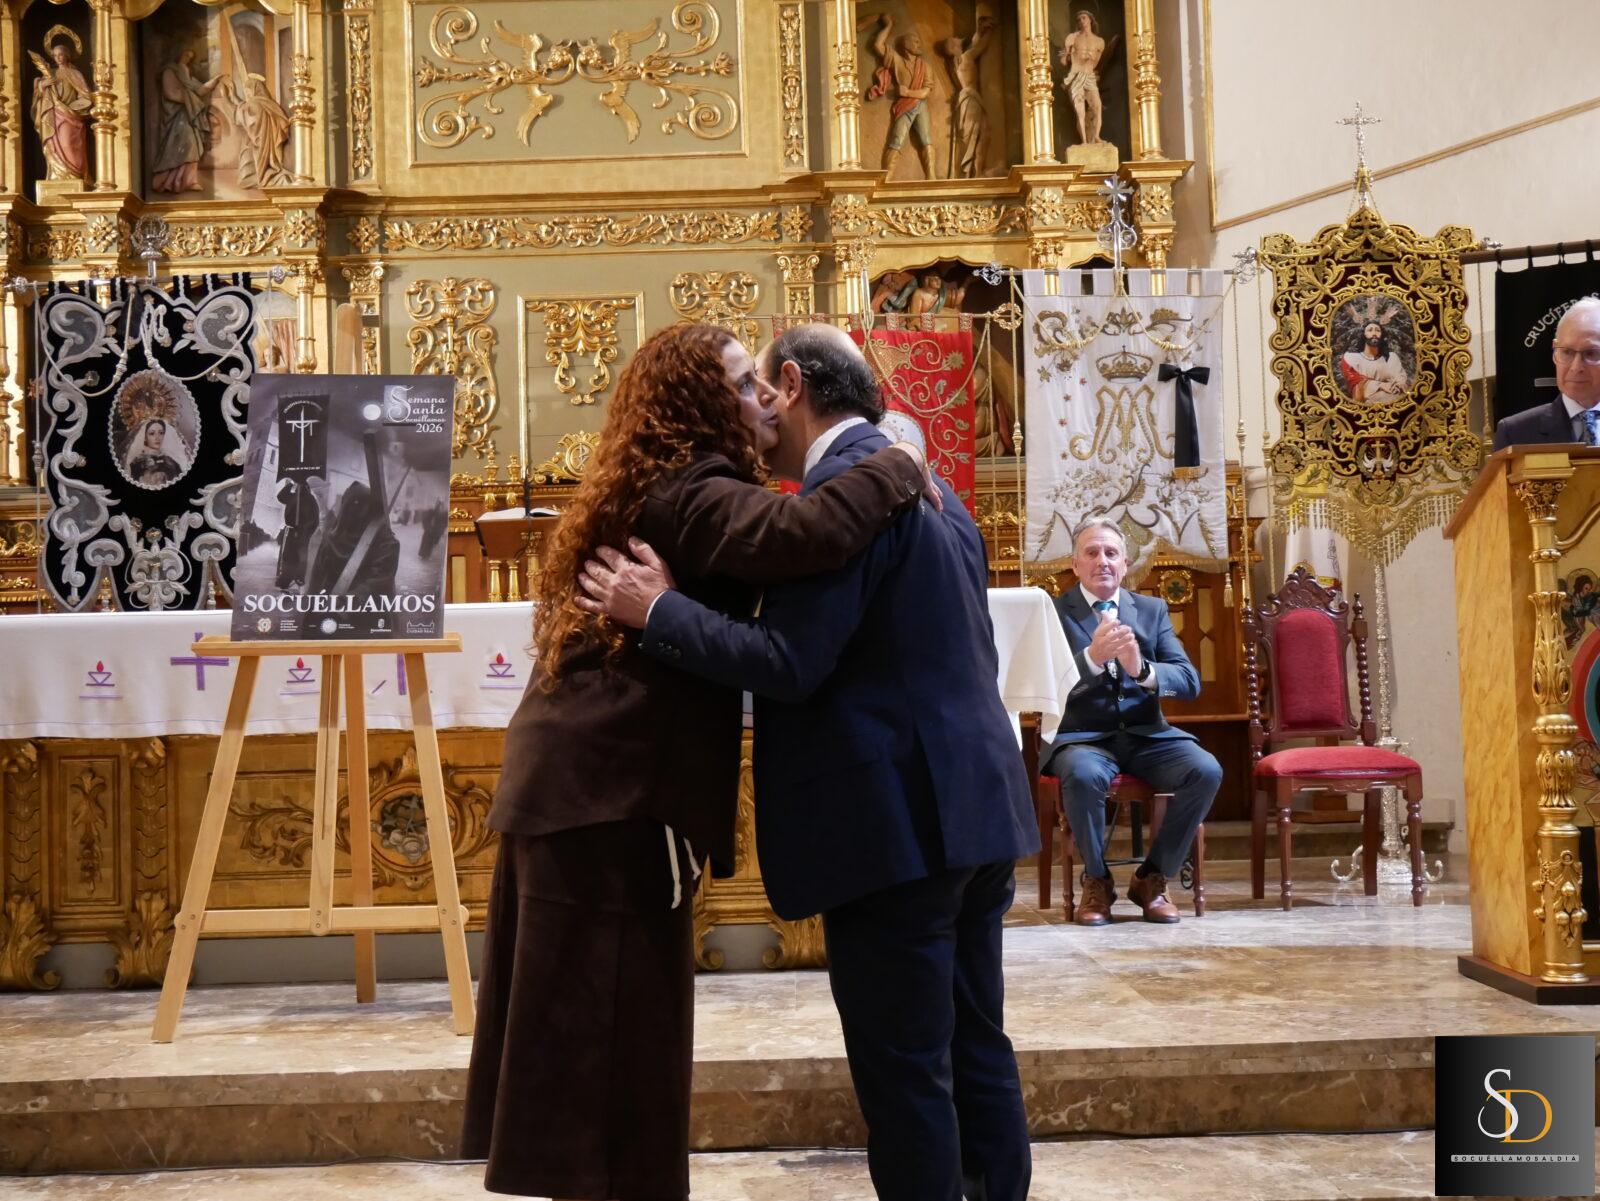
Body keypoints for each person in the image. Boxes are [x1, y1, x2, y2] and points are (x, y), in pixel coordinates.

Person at [461, 322, 933, 1201]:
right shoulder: (692, 487)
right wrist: (900, 461)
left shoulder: (659, 481)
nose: (763, 398)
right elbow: (808, 531)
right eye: (742, 384)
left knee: (595, 1034)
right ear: (698, 400)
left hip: (582, 785)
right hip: (611, 792)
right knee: (612, 1035)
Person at [577, 322, 1038, 1201]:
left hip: (895, 829)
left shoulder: (839, 499)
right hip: (978, 807)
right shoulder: (935, 488)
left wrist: (660, 610)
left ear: (792, 385)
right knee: (977, 1042)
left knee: (908, 1071)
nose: (752, 411)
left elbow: (788, 662)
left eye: (758, 387)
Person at [1041, 519, 1220, 926]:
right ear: (1075, 564)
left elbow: (1188, 681)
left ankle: (1152, 878)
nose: (1102, 561)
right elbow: (1042, 683)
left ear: (1125, 564)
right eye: (1091, 553)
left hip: (1146, 735)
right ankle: (1097, 881)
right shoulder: (1053, 612)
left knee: (1205, 770)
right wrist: (1091, 660)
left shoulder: (1152, 610)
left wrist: (1143, 669)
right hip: (1081, 737)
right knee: (1083, 775)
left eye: (1111, 553)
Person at [1493, 297, 1600, 449]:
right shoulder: (1514, 433)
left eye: (1591, 353)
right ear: (1554, 348)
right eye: (1567, 352)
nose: (1576, 367)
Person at [868, 14, 938, 179]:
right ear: (906, 45)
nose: (918, 44)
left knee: (926, 138)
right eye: (915, 42)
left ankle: (931, 175)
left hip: (920, 105)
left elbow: (926, 91)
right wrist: (888, 25)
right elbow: (878, 45)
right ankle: (887, 177)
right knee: (897, 139)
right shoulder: (897, 60)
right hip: (904, 107)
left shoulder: (925, 67)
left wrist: (907, 93)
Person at [306, 480, 398, 602]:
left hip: (364, 609)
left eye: (359, 506)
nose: (354, 512)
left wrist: (351, 598)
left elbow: (379, 581)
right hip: (329, 605)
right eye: (351, 505)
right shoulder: (331, 539)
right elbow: (316, 580)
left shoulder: (385, 543)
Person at [151, 48, 222, 194]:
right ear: (178, 54)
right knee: (179, 146)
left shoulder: (186, 75)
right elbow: (170, 93)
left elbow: (200, 89)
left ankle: (190, 181)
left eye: (191, 57)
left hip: (189, 116)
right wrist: (191, 99)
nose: (188, 59)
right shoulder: (169, 72)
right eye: (186, 55)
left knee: (194, 146)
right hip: (176, 117)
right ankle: (170, 181)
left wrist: (215, 80)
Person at [940, 6, 996, 178]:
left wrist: (979, 30)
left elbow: (973, 44)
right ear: (954, 47)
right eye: (957, 41)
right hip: (971, 100)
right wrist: (989, 31)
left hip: (969, 99)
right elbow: (980, 46)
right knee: (978, 134)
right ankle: (974, 173)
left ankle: (976, 171)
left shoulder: (956, 62)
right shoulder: (966, 58)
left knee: (983, 133)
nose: (960, 40)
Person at [30, 37, 92, 181]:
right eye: (55, 55)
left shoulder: (75, 74)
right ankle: (57, 176)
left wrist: (74, 108)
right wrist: (42, 85)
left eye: (61, 54)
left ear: (67, 56)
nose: (58, 58)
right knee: (53, 145)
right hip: (53, 115)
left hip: (71, 116)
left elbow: (86, 96)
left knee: (68, 144)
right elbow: (39, 96)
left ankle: (75, 176)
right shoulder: (49, 74)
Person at [1059, 9, 1108, 145]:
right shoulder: (1072, 38)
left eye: (1084, 18)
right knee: (1080, 110)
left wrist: (1089, 62)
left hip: (1090, 76)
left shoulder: (1099, 42)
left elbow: (1096, 62)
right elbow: (1063, 62)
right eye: (1079, 19)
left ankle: (1096, 137)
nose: (1081, 21)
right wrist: (1067, 54)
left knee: (1097, 106)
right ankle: (1084, 142)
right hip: (1076, 76)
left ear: (1090, 19)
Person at [1339, 320, 1409, 402]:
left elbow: (1399, 378)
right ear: (1364, 335)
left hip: (1392, 400)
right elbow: (1355, 384)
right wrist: (1380, 385)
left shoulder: (1391, 358)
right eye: (1370, 330)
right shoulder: (1352, 359)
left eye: (1378, 330)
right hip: (1367, 404)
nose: (1374, 333)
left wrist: (1399, 385)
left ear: (1382, 335)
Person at [274, 477, 320, 590]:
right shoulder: (294, 496)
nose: (299, 488)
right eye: (298, 485)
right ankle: (285, 579)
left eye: (301, 486)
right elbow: (280, 497)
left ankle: (297, 579)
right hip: (291, 531)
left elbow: (315, 520)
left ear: (306, 487)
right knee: (288, 556)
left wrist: (305, 531)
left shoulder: (311, 500)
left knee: (299, 556)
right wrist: (290, 484)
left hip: (302, 533)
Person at [124, 418, 190, 488]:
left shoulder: (171, 461)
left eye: (161, 433)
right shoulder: (137, 463)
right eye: (152, 433)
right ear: (144, 437)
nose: (157, 438)